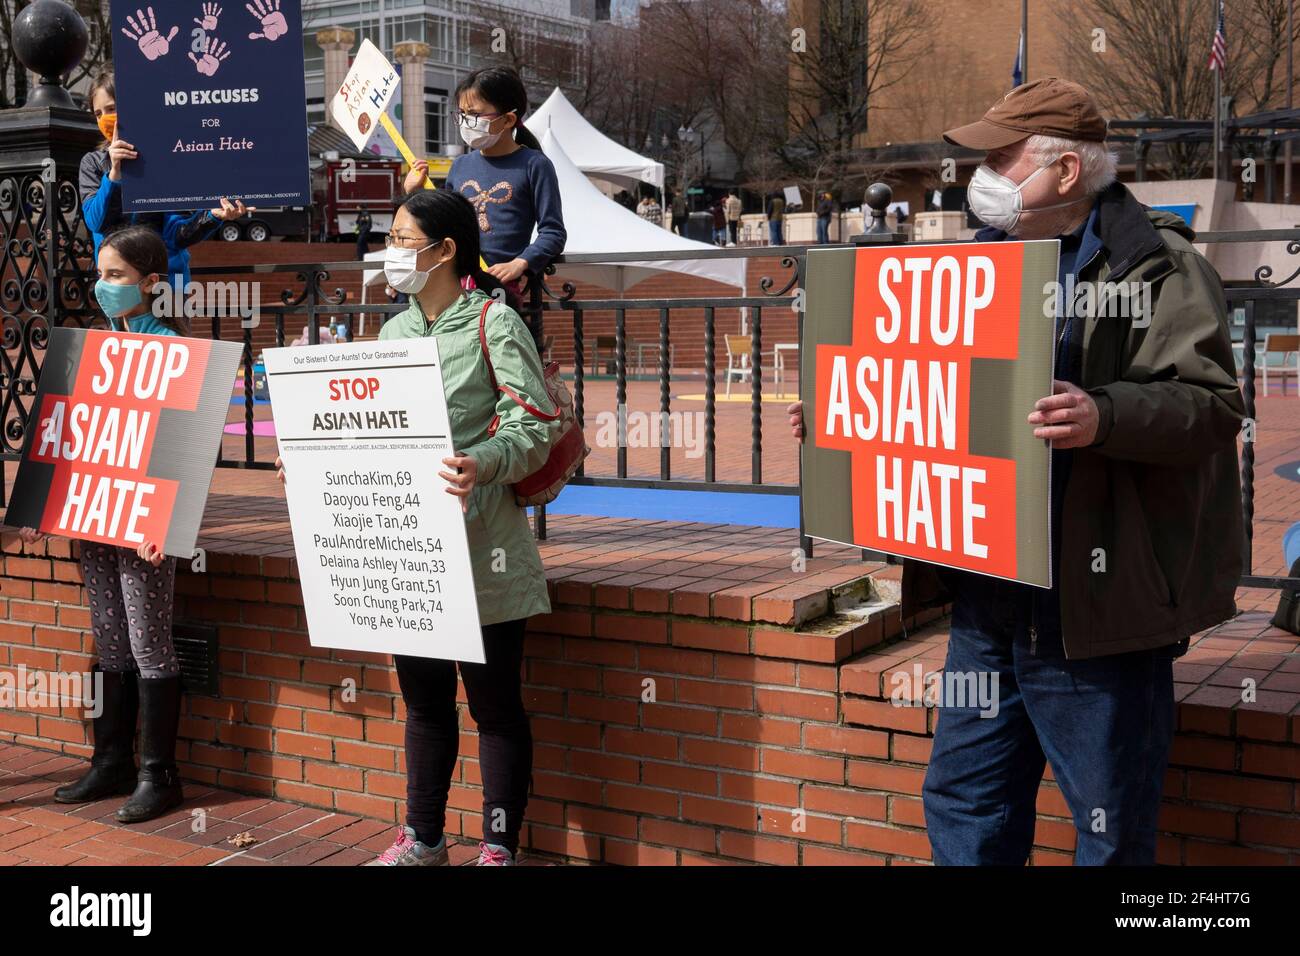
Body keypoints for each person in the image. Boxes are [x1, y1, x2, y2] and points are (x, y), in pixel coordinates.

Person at [786, 78, 1243, 865]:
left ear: (1066, 172)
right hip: (988, 604)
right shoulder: (979, 263)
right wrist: (839, 414)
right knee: (966, 806)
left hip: (1098, 611)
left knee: (1107, 827)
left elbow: (1211, 407)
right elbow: (940, 395)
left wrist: (1105, 414)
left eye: (1001, 157)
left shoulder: (1160, 266)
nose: (980, 175)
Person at [278, 190, 555, 866]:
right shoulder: (394, 332)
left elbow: (535, 431)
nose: (391, 251)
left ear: (445, 249)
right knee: (425, 703)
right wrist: (312, 461)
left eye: (403, 238)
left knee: (494, 705)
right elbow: (371, 430)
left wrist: (482, 462)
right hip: (410, 552)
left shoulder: (493, 323)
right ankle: (423, 839)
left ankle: (497, 846)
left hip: (485, 547)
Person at [23, 225, 192, 824]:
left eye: (117, 275)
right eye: (101, 274)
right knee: (112, 639)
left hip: (142, 523)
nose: (104, 285)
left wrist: (163, 521)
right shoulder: (94, 344)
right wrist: (46, 504)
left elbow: (179, 445)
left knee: (149, 643)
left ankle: (158, 773)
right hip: (93, 515)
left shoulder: (169, 347)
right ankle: (111, 758)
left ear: (149, 283)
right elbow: (73, 435)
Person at [403, 66, 565, 306]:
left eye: (475, 114)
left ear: (508, 119)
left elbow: (553, 232)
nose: (467, 122)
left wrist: (521, 263)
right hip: (453, 287)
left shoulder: (535, 165)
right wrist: (414, 193)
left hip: (499, 290)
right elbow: (444, 226)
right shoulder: (460, 165)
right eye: (462, 114)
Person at [79, 66, 251, 291]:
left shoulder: (169, 158)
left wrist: (212, 216)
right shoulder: (93, 162)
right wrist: (115, 175)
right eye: (98, 113)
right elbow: (96, 221)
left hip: (167, 285)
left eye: (111, 109)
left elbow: (178, 234)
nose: (104, 120)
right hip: (118, 287)